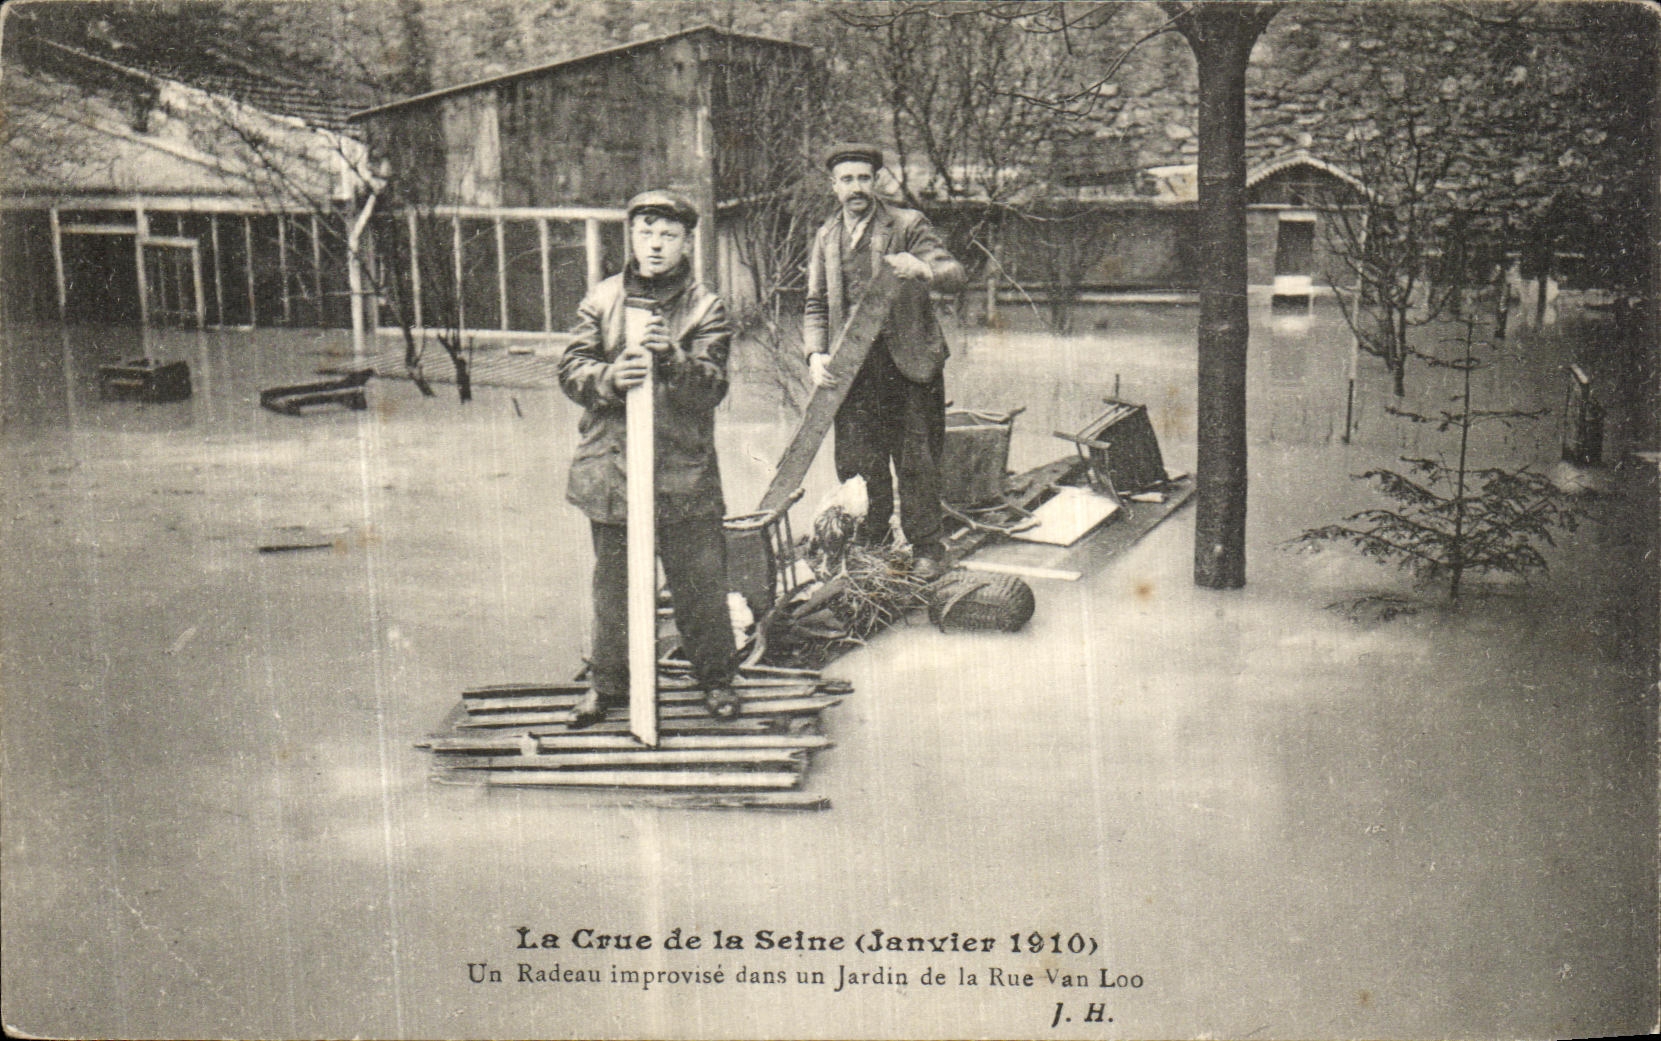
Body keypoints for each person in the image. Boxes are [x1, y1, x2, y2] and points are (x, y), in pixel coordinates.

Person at [558, 189, 738, 727]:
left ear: (687, 243)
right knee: (613, 590)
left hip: (683, 475)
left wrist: (674, 359)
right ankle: (608, 685)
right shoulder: (601, 299)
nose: (656, 245)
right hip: (612, 473)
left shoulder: (707, 307)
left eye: (668, 235)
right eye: (645, 233)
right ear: (630, 238)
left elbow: (711, 387)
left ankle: (718, 680)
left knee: (700, 586)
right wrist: (606, 378)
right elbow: (571, 367)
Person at [803, 142, 966, 580]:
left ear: (876, 181)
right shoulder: (825, 237)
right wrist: (815, 353)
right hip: (852, 370)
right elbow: (815, 303)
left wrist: (924, 268)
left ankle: (927, 546)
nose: (856, 187)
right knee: (858, 462)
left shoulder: (907, 224)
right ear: (833, 186)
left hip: (910, 365)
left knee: (916, 459)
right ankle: (871, 545)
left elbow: (953, 272)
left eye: (863, 178)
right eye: (847, 179)